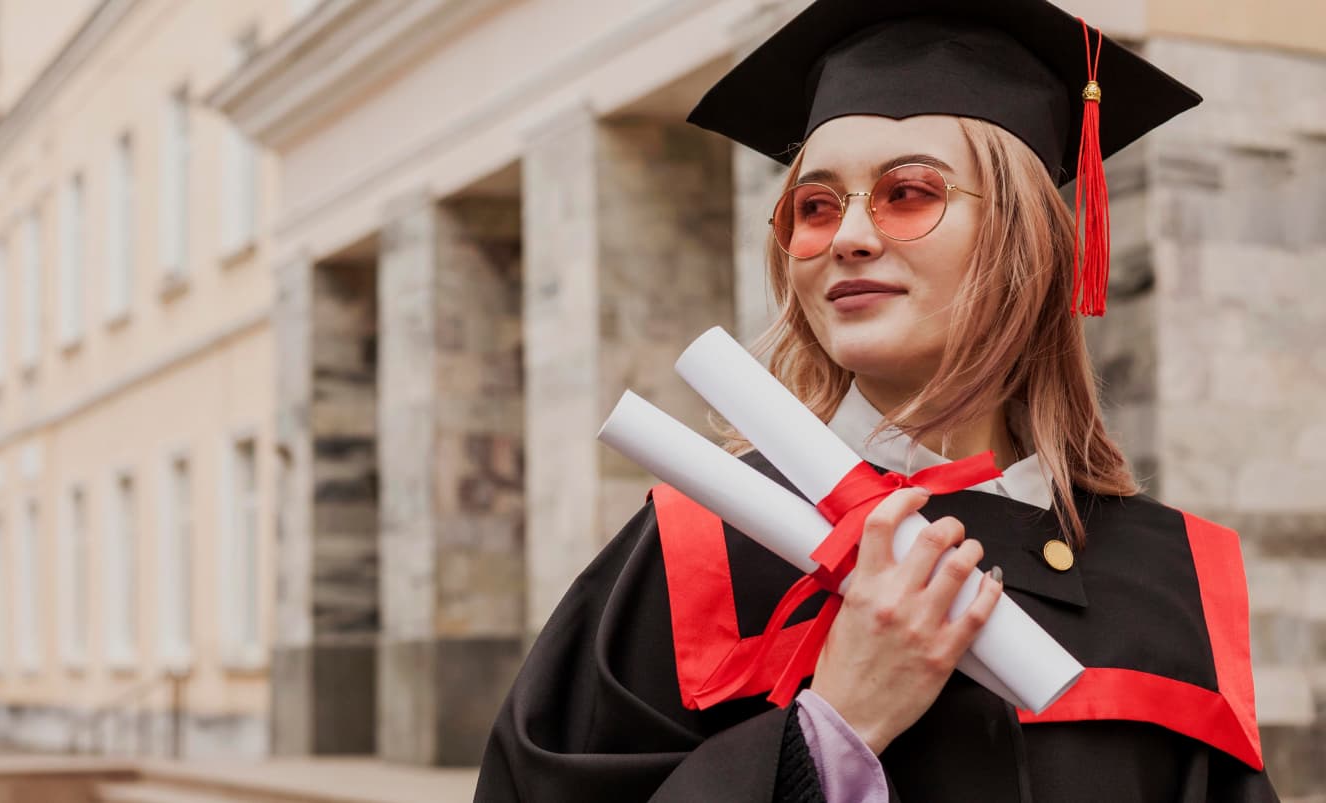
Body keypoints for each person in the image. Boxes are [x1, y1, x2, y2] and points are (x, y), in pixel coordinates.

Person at [472, 0, 1279, 800]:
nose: (849, 236)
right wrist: (830, 729)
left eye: (908, 193)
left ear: (1025, 233)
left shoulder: (1167, 573)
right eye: (815, 208)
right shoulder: (702, 548)